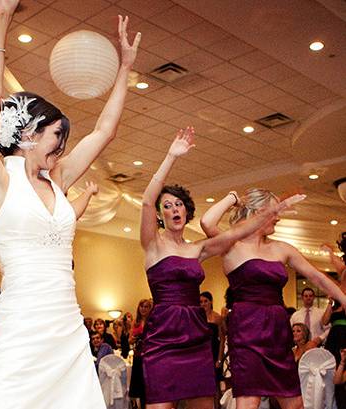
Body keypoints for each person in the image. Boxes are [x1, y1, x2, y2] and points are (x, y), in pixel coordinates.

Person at [0, 0, 140, 406]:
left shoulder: (56, 179)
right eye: (56, 138)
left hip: (66, 325)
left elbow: (105, 131)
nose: (62, 149)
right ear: (27, 133)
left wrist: (126, 68)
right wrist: (1, 17)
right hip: (21, 325)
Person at [139, 128, 303, 409]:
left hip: (196, 335)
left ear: (186, 210)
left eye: (179, 204)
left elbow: (232, 235)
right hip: (163, 336)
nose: (174, 209)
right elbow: (145, 200)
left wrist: (271, 211)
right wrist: (171, 156)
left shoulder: (197, 249)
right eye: (167, 205)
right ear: (160, 214)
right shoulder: (153, 244)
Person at [201, 189, 346, 409]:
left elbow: (317, 276)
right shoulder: (232, 246)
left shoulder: (281, 248)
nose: (278, 217)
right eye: (274, 211)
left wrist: (345, 300)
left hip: (277, 333)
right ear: (259, 212)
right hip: (247, 331)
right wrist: (233, 198)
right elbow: (206, 222)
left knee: (294, 402)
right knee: (249, 401)